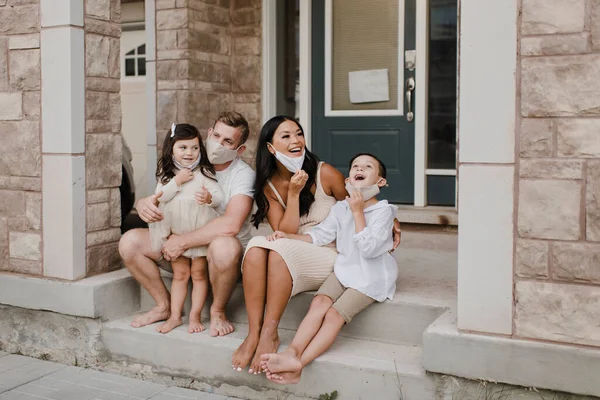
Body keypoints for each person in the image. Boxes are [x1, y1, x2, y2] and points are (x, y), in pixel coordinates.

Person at [231, 116, 401, 375]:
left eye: (298, 133)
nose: (296, 140)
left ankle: (270, 332)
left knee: (277, 252)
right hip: (301, 246)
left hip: (330, 253)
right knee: (256, 246)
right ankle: (254, 333)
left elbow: (363, 202)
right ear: (271, 147)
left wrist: (393, 221)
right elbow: (286, 231)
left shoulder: (326, 173)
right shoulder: (269, 186)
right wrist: (293, 194)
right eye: (285, 136)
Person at [260, 153, 398, 384]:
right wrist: (289, 236)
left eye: (367, 166)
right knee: (319, 302)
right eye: (355, 166)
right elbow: (320, 235)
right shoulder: (341, 208)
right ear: (348, 180)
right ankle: (292, 351)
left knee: (334, 314)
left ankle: (299, 365)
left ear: (380, 182)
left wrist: (357, 212)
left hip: (371, 275)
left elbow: (369, 249)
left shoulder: (384, 212)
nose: (359, 168)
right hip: (345, 268)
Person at [119, 112, 255, 337]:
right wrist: (145, 203)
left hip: (216, 258)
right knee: (129, 242)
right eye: (216, 136)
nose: (218, 144)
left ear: (239, 149)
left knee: (224, 246)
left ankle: (218, 310)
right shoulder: (188, 160)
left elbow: (231, 224)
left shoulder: (242, 175)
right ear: (209, 133)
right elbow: (163, 193)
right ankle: (164, 306)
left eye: (228, 141)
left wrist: (181, 241)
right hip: (177, 245)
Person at [149, 123, 223, 334]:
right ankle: (174, 316)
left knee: (199, 274)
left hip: (197, 235)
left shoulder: (205, 172)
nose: (189, 153)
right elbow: (160, 197)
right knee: (180, 275)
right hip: (176, 236)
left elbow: (218, 197)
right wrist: (177, 181)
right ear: (171, 148)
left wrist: (209, 198)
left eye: (195, 148)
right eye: (183, 148)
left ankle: (195, 316)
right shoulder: (167, 174)